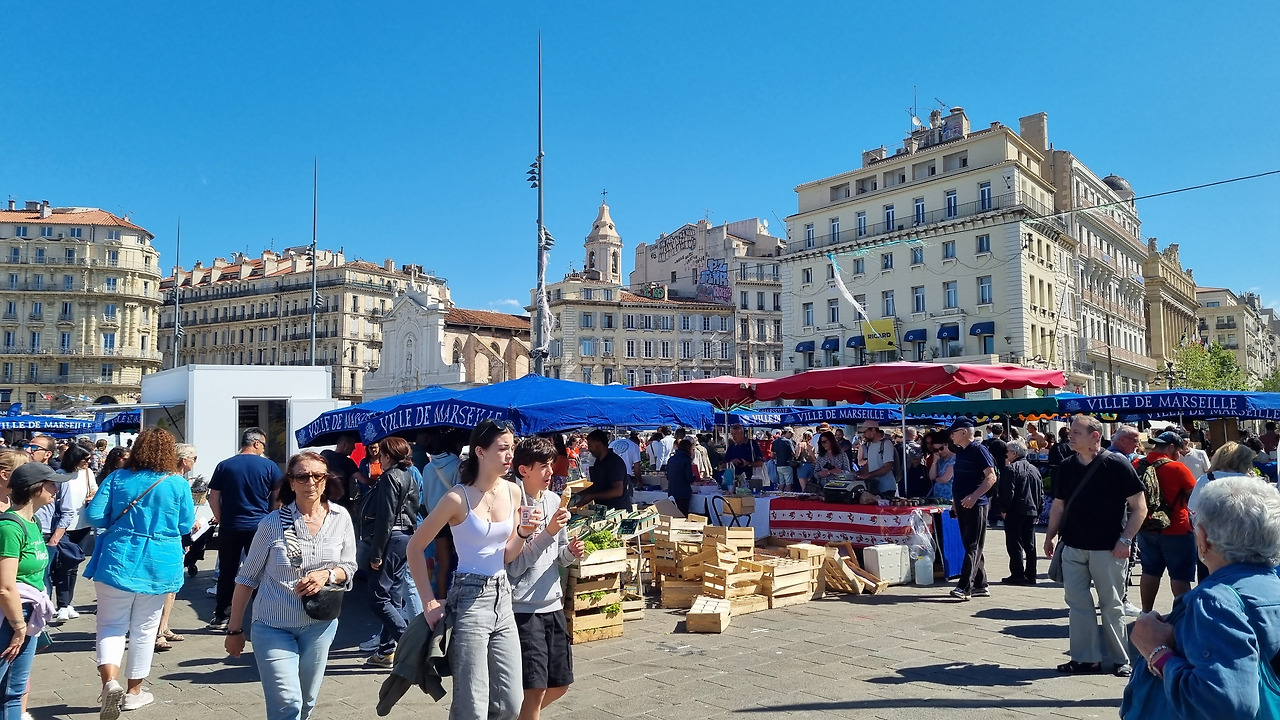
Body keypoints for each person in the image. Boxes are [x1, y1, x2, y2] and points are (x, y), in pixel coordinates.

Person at [1121, 476, 1280, 719]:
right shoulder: (1271, 588)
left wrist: (1157, 652)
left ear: (1202, 538)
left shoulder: (1215, 602)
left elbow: (1224, 703)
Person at [406, 419, 526, 720]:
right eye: (503, 448)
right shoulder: (456, 498)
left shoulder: (514, 491)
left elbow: (507, 555)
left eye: (512, 448)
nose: (510, 455)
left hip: (503, 596)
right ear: (480, 452)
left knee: (511, 702)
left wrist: (524, 533)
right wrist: (429, 602)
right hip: (469, 599)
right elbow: (414, 547)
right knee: (472, 704)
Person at [225, 451, 357, 720]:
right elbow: (247, 578)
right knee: (288, 702)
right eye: (303, 476)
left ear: (326, 480)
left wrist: (327, 575)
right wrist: (235, 629)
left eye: (318, 476)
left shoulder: (340, 517)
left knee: (306, 701)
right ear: (292, 482)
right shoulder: (272, 524)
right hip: (273, 625)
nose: (311, 482)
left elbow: (349, 566)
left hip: (320, 625)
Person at [83, 427, 195, 715]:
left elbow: (94, 515)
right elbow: (185, 524)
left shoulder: (117, 477)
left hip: (118, 557)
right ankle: (134, 692)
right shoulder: (177, 483)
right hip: (159, 561)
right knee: (145, 629)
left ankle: (110, 682)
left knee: (110, 625)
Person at [1044, 414, 1146, 677]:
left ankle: (1121, 659)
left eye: (1076, 432)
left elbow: (1139, 507)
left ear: (1095, 437)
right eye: (1071, 432)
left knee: (1111, 604)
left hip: (1109, 548)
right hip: (1073, 545)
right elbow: (1058, 505)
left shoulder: (1117, 464)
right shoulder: (1066, 466)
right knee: (1077, 604)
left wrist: (1125, 540)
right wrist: (1050, 535)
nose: (1070, 435)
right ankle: (1085, 659)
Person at [506, 437, 585, 720]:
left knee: (560, 684)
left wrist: (571, 553)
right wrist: (547, 532)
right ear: (524, 470)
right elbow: (514, 566)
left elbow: (558, 557)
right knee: (535, 689)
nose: (551, 471)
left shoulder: (554, 500)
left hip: (553, 604)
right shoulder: (512, 503)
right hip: (524, 609)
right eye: (543, 466)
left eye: (551, 464)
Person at [208, 427, 283, 629]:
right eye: (263, 445)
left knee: (227, 571)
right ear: (256, 443)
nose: (263, 449)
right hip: (259, 526)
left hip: (230, 526)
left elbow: (213, 497)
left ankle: (222, 615)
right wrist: (271, 517)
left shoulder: (224, 465)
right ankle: (262, 614)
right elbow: (278, 496)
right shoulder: (269, 466)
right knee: (261, 571)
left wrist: (221, 519)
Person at [0, 463, 59, 720]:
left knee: (14, 691)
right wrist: (18, 627)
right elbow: (4, 587)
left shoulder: (33, 522)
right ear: (35, 489)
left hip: (27, 614)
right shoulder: (9, 528)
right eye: (51, 484)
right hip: (10, 616)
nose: (56, 490)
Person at [358, 436, 420, 668]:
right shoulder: (408, 475)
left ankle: (411, 643)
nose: (379, 459)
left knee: (378, 597)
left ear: (387, 456)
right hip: (405, 537)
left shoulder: (390, 477)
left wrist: (376, 554)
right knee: (393, 594)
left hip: (390, 538)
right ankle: (386, 651)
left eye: (381, 455)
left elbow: (386, 517)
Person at [1133, 430, 1198, 614]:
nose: (1180, 455)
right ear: (1171, 447)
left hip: (1146, 526)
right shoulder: (1177, 468)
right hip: (1177, 528)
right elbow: (1193, 497)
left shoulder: (1137, 464)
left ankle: (1146, 612)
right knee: (1180, 576)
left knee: (1149, 571)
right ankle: (1182, 616)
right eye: (1179, 450)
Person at [156, 443, 201, 652]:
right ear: (184, 460)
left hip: (169, 538)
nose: (195, 462)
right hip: (171, 540)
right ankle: (158, 632)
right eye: (194, 458)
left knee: (171, 588)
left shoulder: (163, 479)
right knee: (167, 587)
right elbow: (183, 520)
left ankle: (164, 626)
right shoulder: (177, 482)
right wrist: (191, 527)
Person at [946, 419, 997, 601]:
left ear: (964, 432)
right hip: (962, 504)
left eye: (953, 432)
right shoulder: (961, 452)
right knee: (971, 545)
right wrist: (955, 503)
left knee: (972, 546)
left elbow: (991, 477)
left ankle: (964, 587)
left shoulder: (979, 450)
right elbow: (958, 481)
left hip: (976, 504)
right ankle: (981, 585)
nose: (951, 436)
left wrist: (974, 496)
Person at [51, 444, 95, 621]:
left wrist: (92, 495)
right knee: (64, 565)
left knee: (75, 564)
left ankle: (68, 603)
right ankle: (62, 604)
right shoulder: (60, 475)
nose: (88, 462)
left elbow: (94, 488)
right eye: (86, 459)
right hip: (64, 527)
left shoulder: (87, 473)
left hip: (83, 524)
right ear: (75, 458)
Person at [997, 441, 1043, 585]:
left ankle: (1017, 574)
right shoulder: (1035, 470)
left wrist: (1003, 509)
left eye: (1008, 451)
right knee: (1030, 544)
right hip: (1031, 510)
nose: (1006, 454)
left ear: (1014, 453)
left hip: (1015, 511)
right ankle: (1031, 574)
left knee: (1015, 543)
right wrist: (1038, 510)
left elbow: (1007, 493)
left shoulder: (1011, 469)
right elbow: (1040, 493)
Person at [576, 430, 631, 511]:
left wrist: (592, 496)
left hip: (617, 510)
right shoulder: (598, 462)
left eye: (590, 445)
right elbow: (597, 486)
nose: (589, 449)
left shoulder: (614, 462)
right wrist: (580, 495)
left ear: (599, 443)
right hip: (603, 510)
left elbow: (618, 491)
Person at [319, 433, 360, 511]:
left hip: (323, 499)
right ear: (345, 445)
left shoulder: (324, 454)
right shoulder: (347, 461)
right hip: (341, 502)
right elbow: (363, 480)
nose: (354, 448)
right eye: (353, 445)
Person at [856, 421, 898, 497]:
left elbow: (887, 467)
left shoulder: (886, 443)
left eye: (865, 432)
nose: (864, 435)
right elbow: (869, 464)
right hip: (874, 488)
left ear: (873, 430)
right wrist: (858, 473)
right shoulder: (869, 444)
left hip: (886, 489)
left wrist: (868, 475)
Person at [723, 424, 763, 489]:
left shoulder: (752, 444)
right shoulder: (732, 447)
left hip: (751, 481)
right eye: (732, 434)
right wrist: (732, 462)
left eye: (735, 434)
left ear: (742, 433)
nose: (733, 436)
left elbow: (761, 463)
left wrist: (748, 463)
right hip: (735, 482)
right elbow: (722, 465)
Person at [665, 438, 696, 516]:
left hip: (672, 491)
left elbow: (668, 476)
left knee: (673, 514)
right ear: (688, 448)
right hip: (683, 493)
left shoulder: (671, 459)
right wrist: (695, 477)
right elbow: (689, 478)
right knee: (682, 515)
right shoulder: (686, 460)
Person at [927, 432, 955, 501]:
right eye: (936, 450)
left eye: (941, 448)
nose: (939, 452)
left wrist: (936, 479)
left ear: (946, 445)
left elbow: (945, 479)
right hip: (937, 496)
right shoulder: (939, 459)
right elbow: (931, 477)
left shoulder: (954, 458)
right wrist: (934, 462)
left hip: (949, 496)